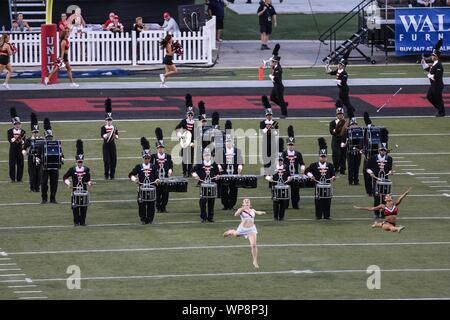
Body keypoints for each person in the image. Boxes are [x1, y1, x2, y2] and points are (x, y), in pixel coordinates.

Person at [223, 198, 267, 269]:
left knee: (254, 245)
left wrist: (262, 212)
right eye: (245, 202)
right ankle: (230, 231)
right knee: (236, 235)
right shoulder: (241, 210)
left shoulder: (252, 210)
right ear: (243, 204)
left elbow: (257, 212)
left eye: (248, 201)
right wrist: (240, 210)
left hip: (251, 229)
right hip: (242, 229)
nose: (247, 202)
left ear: (250, 204)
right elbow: (235, 214)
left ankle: (255, 261)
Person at [128, 138, 160, 225]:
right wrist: (135, 179)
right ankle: (143, 219)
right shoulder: (138, 167)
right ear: (143, 158)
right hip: (141, 188)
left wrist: (157, 180)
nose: (147, 160)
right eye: (145, 158)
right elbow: (130, 175)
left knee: (151, 205)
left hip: (151, 188)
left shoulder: (153, 167)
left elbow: (157, 176)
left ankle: (150, 219)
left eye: (148, 158)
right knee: (141, 205)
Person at [63, 140, 93, 227]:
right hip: (75, 191)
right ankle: (76, 222)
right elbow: (65, 177)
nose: (80, 163)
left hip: (83, 191)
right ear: (76, 161)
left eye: (81, 162)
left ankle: (82, 221)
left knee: (84, 206)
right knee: (75, 206)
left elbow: (88, 180)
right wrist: (68, 183)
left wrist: (89, 183)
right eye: (78, 162)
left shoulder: (86, 169)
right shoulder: (72, 169)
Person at [305, 138, 336, 220]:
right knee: (318, 201)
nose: (323, 158)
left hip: (327, 186)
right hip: (318, 185)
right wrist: (311, 175)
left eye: (324, 157)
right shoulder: (314, 165)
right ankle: (318, 215)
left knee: (327, 201)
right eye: (321, 157)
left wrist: (333, 177)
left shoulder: (330, 165)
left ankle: (327, 215)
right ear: (319, 157)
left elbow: (333, 174)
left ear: (326, 157)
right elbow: (306, 171)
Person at [38, 118, 64, 204]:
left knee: (54, 183)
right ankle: (44, 199)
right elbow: (37, 156)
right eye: (48, 137)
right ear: (45, 137)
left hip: (54, 167)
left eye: (50, 137)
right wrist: (38, 160)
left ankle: (53, 198)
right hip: (44, 167)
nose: (49, 139)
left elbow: (61, 154)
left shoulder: (57, 144)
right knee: (44, 183)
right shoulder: (41, 145)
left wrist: (62, 159)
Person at [218, 122, 244, 210]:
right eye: (227, 142)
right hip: (224, 173)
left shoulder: (237, 151)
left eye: (230, 142)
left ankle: (231, 205)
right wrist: (219, 168)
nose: (228, 143)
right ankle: (225, 205)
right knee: (223, 190)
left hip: (234, 173)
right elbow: (217, 162)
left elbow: (240, 162)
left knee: (234, 190)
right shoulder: (221, 151)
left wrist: (240, 169)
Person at [366, 141, 393, 220]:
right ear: (378, 150)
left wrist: (390, 172)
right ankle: (376, 213)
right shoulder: (373, 158)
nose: (383, 151)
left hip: (385, 181)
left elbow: (390, 169)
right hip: (376, 181)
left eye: (384, 150)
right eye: (381, 150)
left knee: (385, 198)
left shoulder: (389, 159)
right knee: (377, 197)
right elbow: (367, 167)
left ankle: (384, 213)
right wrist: (370, 172)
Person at [266, 140, 292, 221]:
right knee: (276, 202)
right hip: (275, 186)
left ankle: (281, 217)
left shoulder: (286, 167)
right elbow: (266, 175)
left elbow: (289, 175)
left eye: (281, 160)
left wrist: (289, 178)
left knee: (283, 202)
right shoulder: (272, 167)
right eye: (279, 160)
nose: (280, 161)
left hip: (283, 186)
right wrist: (269, 178)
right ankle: (275, 217)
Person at [192, 147, 220, 223]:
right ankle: (203, 217)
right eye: (205, 155)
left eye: (208, 155)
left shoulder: (214, 163)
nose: (207, 156)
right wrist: (195, 176)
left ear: (210, 156)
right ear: (203, 156)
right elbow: (193, 171)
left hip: (212, 185)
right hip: (203, 185)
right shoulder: (199, 164)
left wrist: (217, 176)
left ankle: (210, 217)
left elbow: (218, 173)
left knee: (211, 201)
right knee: (202, 202)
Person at [282, 125, 305, 209]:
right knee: (285, 190)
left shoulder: (298, 154)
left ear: (294, 145)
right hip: (286, 176)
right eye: (289, 144)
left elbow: (302, 163)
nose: (290, 146)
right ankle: (285, 205)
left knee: (295, 191)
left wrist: (302, 170)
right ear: (287, 145)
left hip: (295, 175)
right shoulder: (283, 154)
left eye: (292, 144)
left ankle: (295, 204)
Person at [421, 39, 445, 117]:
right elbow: (430, 69)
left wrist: (429, 75)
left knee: (438, 99)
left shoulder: (439, 65)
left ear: (436, 57)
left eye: (433, 55)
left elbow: (437, 76)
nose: (431, 56)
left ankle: (441, 112)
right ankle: (439, 109)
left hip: (437, 85)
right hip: (433, 84)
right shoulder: (435, 63)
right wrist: (424, 64)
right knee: (429, 97)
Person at [152, 128, 173, 213]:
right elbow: (152, 166)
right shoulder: (153, 156)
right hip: (157, 178)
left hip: (166, 177)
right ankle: (157, 207)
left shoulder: (168, 156)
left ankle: (163, 207)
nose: (160, 149)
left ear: (163, 148)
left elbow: (171, 166)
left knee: (165, 194)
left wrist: (170, 170)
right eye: (159, 148)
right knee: (157, 193)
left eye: (162, 148)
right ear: (157, 148)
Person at [175, 94, 196, 177]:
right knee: (184, 157)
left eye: (191, 115)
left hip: (191, 142)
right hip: (184, 141)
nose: (190, 116)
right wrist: (180, 136)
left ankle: (190, 172)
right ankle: (184, 172)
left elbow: (196, 133)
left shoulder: (195, 123)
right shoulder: (184, 121)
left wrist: (194, 142)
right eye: (189, 115)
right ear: (187, 115)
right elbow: (177, 128)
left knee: (190, 158)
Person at [22, 113, 43, 192]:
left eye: (37, 132)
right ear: (32, 132)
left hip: (39, 158)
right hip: (31, 158)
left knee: (39, 173)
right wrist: (25, 153)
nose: (36, 133)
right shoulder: (28, 140)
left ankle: (37, 187)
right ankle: (32, 187)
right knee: (32, 173)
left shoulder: (41, 139)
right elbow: (24, 148)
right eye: (34, 132)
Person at [260, 95, 279, 174]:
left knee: (272, 157)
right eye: (268, 115)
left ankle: (272, 170)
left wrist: (272, 128)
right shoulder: (262, 123)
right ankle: (266, 171)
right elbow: (262, 132)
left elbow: (276, 133)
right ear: (266, 116)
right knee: (265, 157)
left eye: (270, 115)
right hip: (265, 142)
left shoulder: (275, 122)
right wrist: (267, 128)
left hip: (272, 142)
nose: (269, 117)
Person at [101, 98, 119, 180]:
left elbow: (117, 137)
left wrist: (115, 135)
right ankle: (106, 175)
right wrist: (110, 133)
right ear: (106, 120)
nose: (109, 121)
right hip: (106, 146)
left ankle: (112, 175)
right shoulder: (103, 127)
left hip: (112, 145)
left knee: (113, 161)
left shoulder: (114, 127)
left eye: (110, 120)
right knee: (106, 161)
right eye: (108, 120)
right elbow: (103, 136)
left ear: (112, 120)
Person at [343, 116, 363, 185]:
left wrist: (361, 149)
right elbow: (344, 142)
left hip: (358, 152)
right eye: (352, 125)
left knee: (357, 166)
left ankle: (356, 180)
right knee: (350, 167)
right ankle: (350, 181)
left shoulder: (360, 132)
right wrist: (345, 144)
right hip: (350, 152)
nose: (354, 126)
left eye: (355, 124)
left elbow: (362, 142)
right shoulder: (347, 132)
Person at [7, 108, 26, 182]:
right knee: (12, 164)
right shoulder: (9, 131)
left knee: (20, 164)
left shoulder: (23, 131)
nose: (17, 125)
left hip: (20, 149)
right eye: (16, 124)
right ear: (13, 124)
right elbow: (10, 140)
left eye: (19, 124)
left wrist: (20, 140)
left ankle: (19, 178)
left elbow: (24, 142)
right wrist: (17, 139)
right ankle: (12, 178)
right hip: (12, 150)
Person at [329, 105, 347, 175]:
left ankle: (343, 169)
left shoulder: (346, 122)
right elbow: (331, 131)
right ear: (337, 115)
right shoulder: (332, 123)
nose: (340, 115)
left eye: (341, 114)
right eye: (339, 114)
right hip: (335, 140)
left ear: (343, 114)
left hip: (343, 140)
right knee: (336, 154)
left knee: (343, 155)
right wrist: (338, 131)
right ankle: (336, 168)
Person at [269, 54, 288, 118]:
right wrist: (272, 69)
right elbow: (273, 72)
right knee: (272, 97)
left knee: (281, 100)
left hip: (279, 87)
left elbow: (276, 79)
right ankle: (284, 105)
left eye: (273, 61)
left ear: (276, 62)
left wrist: (271, 77)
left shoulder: (278, 69)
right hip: (276, 86)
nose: (272, 63)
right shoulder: (276, 67)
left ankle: (284, 114)